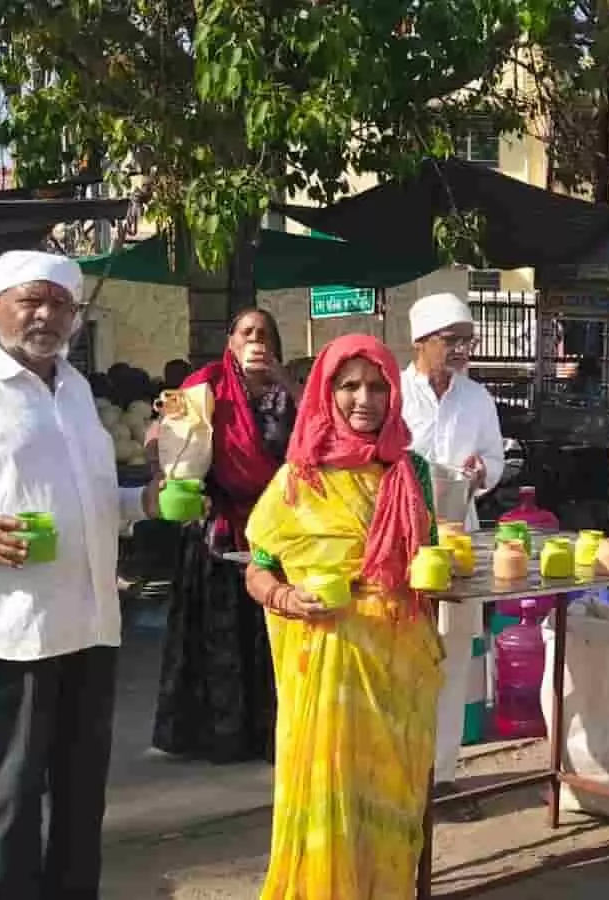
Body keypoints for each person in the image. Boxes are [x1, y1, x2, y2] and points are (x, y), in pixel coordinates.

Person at [0, 250, 164, 899]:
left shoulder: (75, 393)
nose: (44, 315)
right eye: (29, 300)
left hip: (90, 628)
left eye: (59, 304)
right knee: (5, 805)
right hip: (4, 636)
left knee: (79, 804)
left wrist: (143, 503)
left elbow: (91, 501)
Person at [243, 334, 442, 898]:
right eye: (349, 385)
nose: (365, 399)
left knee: (393, 796)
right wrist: (285, 599)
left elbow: (424, 552)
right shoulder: (297, 478)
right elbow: (259, 569)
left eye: (378, 386)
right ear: (325, 393)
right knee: (329, 792)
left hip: (399, 664)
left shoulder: (412, 472)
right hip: (326, 662)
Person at [151, 309, 296, 763]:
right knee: (218, 634)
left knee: (271, 631)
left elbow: (319, 434)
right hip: (219, 527)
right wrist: (170, 478)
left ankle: (272, 734)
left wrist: (287, 382)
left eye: (265, 335)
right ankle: (218, 736)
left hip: (275, 527)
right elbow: (162, 436)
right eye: (246, 333)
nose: (256, 340)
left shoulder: (289, 393)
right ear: (230, 341)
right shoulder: (202, 386)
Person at [400, 292, 505, 792]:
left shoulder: (477, 399)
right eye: (451, 341)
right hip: (403, 544)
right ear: (420, 341)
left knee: (455, 655)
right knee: (403, 657)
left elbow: (494, 459)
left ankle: (441, 776)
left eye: (468, 340)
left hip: (460, 539)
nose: (462, 350)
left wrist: (485, 472)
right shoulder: (393, 394)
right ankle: (401, 773)